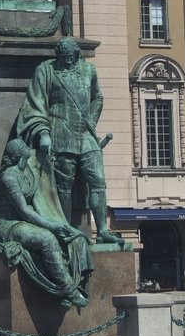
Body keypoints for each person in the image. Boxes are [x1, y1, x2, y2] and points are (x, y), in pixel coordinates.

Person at [16, 37, 125, 246]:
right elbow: (36, 103)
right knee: (64, 186)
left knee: (98, 181)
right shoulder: (46, 70)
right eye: (62, 58)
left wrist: (92, 119)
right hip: (60, 133)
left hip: (86, 135)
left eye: (70, 58)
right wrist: (43, 132)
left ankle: (102, 230)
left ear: (77, 55)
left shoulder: (89, 70)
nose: (66, 62)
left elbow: (97, 97)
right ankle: (65, 228)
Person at [0, 137, 92, 307]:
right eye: (25, 147)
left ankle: (69, 288)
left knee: (77, 238)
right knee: (46, 238)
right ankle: (68, 290)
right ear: (20, 153)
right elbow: (23, 210)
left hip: (27, 222)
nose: (28, 148)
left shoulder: (28, 171)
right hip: (6, 225)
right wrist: (52, 226)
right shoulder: (9, 177)